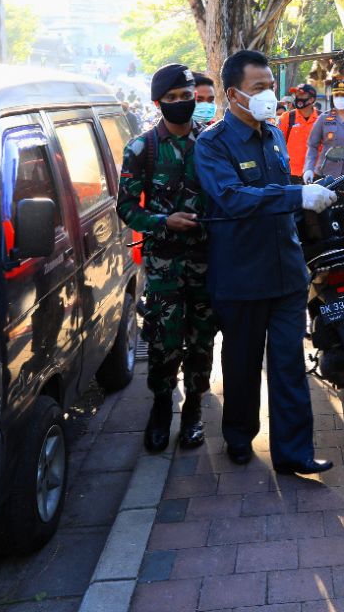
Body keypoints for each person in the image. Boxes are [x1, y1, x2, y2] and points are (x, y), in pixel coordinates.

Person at [195, 49, 339, 475]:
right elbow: (232, 198)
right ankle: (239, 436)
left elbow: (285, 197)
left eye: (271, 87)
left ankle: (294, 452)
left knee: (289, 365)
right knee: (240, 365)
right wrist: (297, 196)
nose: (268, 96)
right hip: (240, 278)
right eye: (259, 88)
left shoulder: (275, 136)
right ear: (233, 93)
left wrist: (314, 193)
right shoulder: (212, 144)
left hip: (287, 273)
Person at [117, 64, 216, 453]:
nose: (181, 104)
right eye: (171, 99)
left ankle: (192, 411)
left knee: (202, 341)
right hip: (163, 268)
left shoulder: (210, 144)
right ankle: (161, 409)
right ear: (158, 104)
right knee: (162, 343)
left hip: (206, 263)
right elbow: (126, 207)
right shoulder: (142, 149)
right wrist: (164, 221)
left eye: (186, 96)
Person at [303, 78, 344, 234]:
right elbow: (312, 145)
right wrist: (308, 169)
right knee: (326, 215)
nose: (340, 98)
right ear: (332, 97)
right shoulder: (323, 119)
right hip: (326, 175)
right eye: (337, 95)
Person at [277, 81, 320, 184]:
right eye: (296, 94)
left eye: (302, 95)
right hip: (292, 177)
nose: (298, 97)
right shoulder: (287, 118)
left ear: (311, 99)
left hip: (317, 176)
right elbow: (276, 145)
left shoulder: (321, 119)